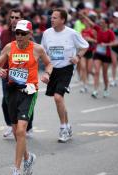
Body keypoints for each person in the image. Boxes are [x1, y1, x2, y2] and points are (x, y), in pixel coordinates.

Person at [0, 20, 52, 175]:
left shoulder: (37, 49)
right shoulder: (9, 47)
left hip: (29, 91)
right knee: (16, 132)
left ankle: (16, 169)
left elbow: (49, 64)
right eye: (17, 33)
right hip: (12, 91)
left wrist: (46, 73)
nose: (19, 36)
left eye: (23, 33)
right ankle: (28, 158)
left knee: (21, 131)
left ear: (30, 34)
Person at [41, 8, 88, 142]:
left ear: (63, 20)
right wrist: (45, 72)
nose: (52, 19)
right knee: (59, 100)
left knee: (57, 97)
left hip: (66, 69)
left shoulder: (72, 33)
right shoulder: (47, 33)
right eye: (51, 17)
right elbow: (43, 52)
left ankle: (62, 128)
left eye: (55, 17)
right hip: (52, 69)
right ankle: (67, 126)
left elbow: (85, 46)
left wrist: (78, 57)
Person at [0, 8, 34, 138]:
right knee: (6, 101)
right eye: (12, 17)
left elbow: (33, 52)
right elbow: (2, 53)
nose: (14, 20)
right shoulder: (4, 33)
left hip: (24, 73)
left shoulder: (26, 34)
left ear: (22, 20)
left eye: (17, 17)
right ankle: (10, 125)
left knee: (26, 100)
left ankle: (28, 127)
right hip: (8, 73)